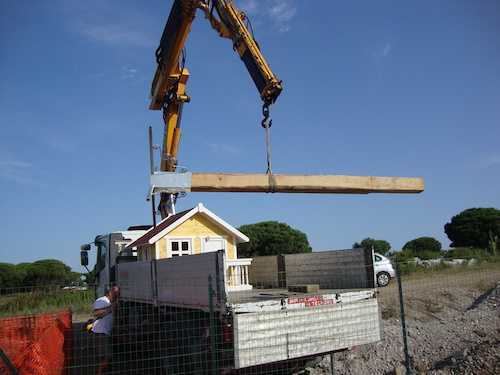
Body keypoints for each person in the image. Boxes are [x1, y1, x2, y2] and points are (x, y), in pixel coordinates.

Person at [91, 286, 119, 375]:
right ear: (110, 292)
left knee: (105, 356)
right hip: (100, 332)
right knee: (106, 356)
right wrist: (110, 309)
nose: (117, 294)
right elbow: (96, 313)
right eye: (116, 292)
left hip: (106, 332)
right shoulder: (101, 300)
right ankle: (99, 373)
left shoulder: (110, 302)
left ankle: (103, 371)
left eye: (118, 293)